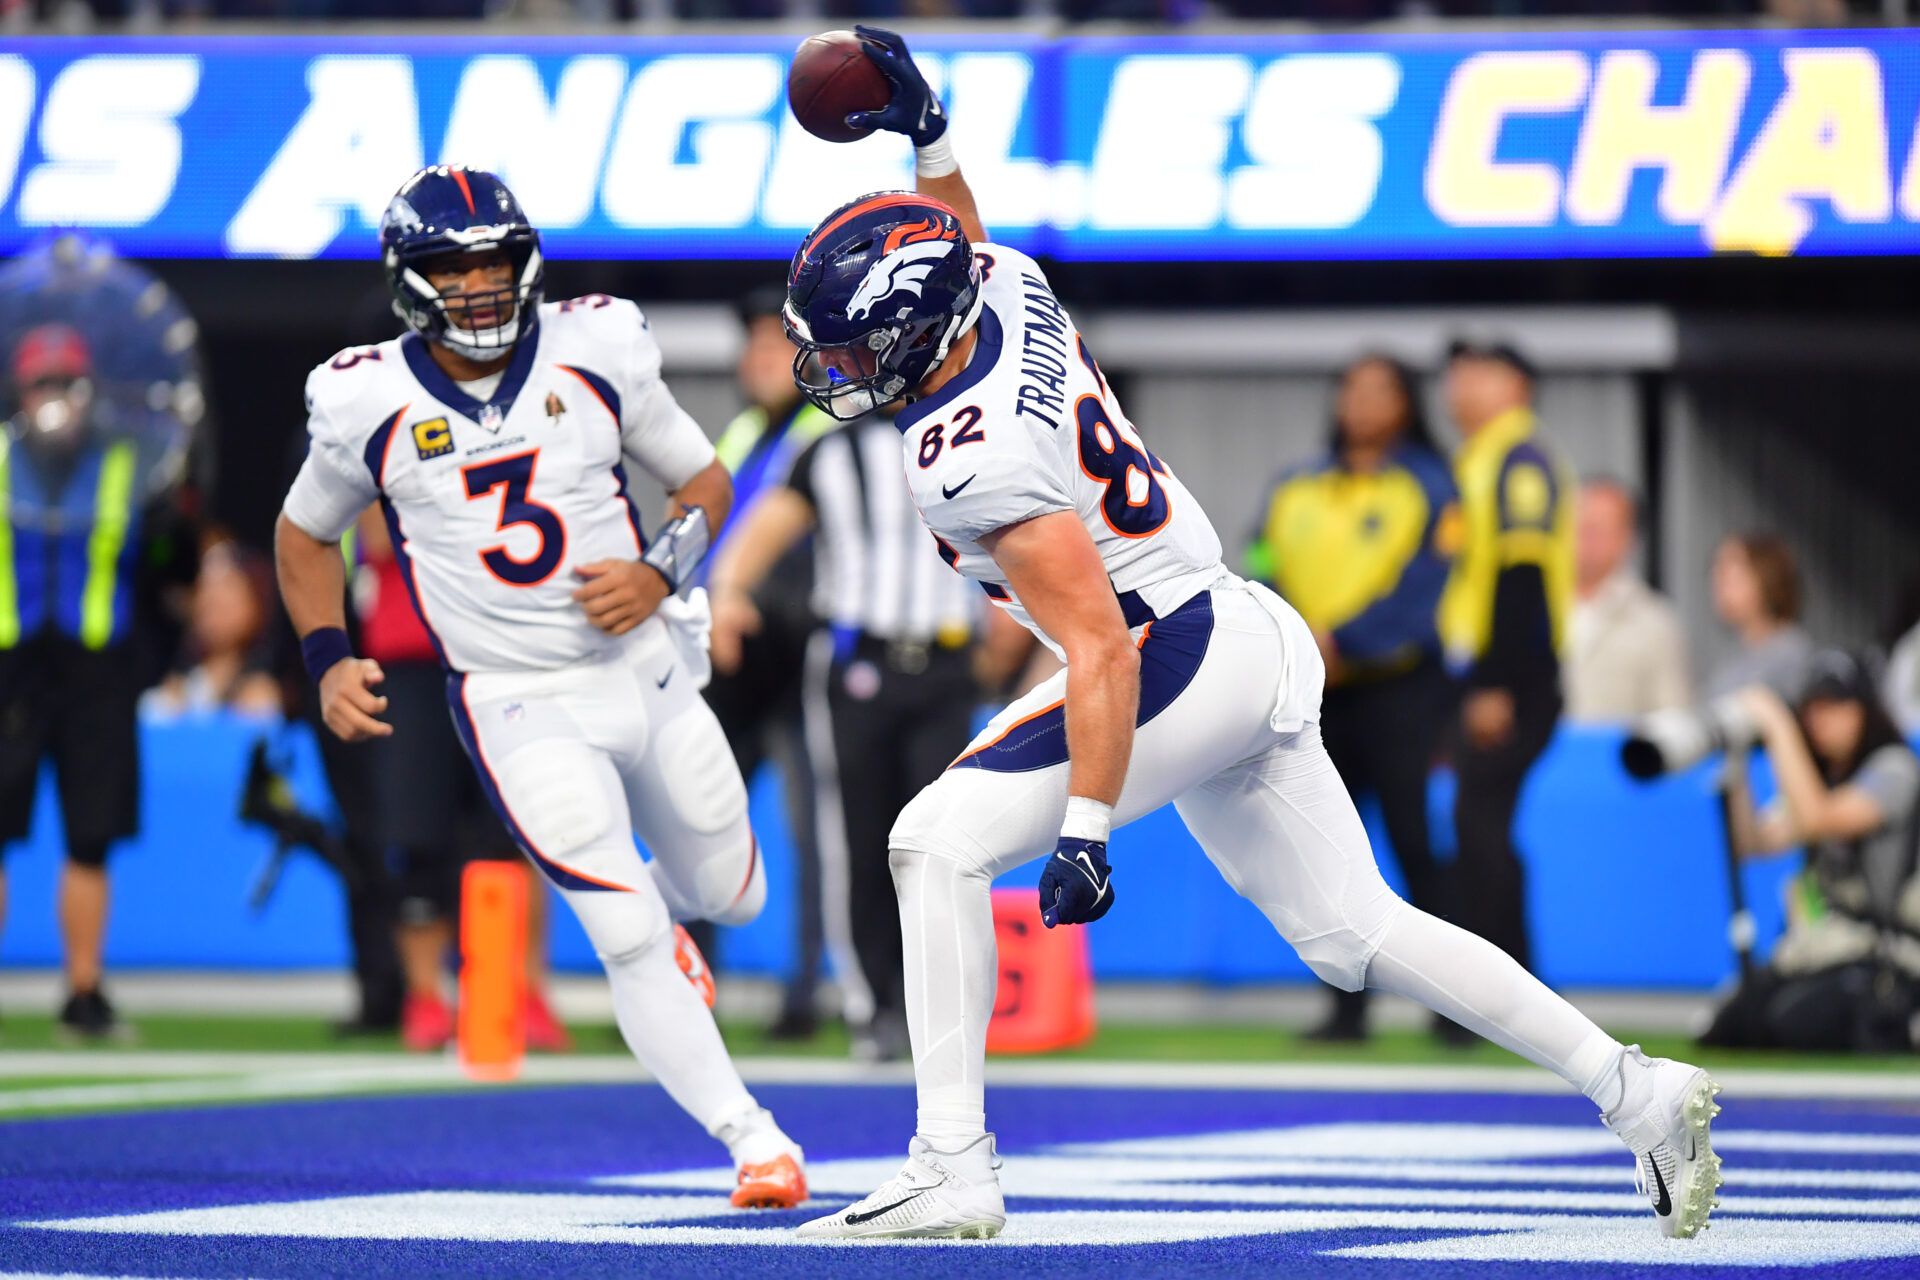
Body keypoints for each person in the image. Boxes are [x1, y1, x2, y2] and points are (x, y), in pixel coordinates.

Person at [781, 27, 1721, 1243]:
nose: (842, 371)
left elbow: (1101, 652)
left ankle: (951, 1162)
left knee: (933, 841)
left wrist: (1085, 829)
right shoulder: (1003, 283)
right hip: (1234, 623)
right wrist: (930, 126)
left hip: (1167, 645)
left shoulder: (966, 451)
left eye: (858, 347)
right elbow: (953, 227)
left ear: (915, 332)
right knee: (1354, 933)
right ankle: (1638, 1091)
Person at [273, 165, 805, 1208]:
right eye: (450, 267)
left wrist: (660, 567)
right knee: (625, 927)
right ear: (409, 280)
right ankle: (754, 1140)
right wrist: (327, 654)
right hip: (514, 694)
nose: (475, 287)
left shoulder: (597, 344)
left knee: (733, 892)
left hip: (642, 664)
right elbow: (302, 533)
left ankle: (671, 930)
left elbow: (704, 481)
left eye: (490, 261)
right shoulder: (363, 394)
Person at [708, 405, 987, 1062]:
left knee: (943, 844)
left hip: (948, 663)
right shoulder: (831, 451)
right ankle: (873, 1007)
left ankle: (937, 1008)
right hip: (857, 662)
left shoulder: (974, 435)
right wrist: (727, 590)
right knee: (858, 842)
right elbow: (769, 522)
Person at [0, 237, 201, 1041]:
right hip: (8, 666)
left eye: (67, 382)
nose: (55, 398)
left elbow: (169, 569)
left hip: (95, 669)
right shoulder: (1, 460)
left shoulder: (134, 465)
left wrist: (152, 660)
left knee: (91, 836)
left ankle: (84, 990)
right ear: (19, 386)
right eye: (42, 382)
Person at [1246, 354, 1459, 1043]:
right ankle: (1346, 1009)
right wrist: (1294, 633)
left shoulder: (1431, 487)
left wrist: (1342, 641)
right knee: (1325, 850)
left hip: (1399, 691)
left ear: (1406, 404)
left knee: (1414, 843)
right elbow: (1256, 561)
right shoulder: (1294, 486)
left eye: (1381, 390)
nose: (1364, 402)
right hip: (1314, 696)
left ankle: (1454, 1006)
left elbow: (1427, 586)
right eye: (1353, 389)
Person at [349, 506, 571, 1053]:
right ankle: (426, 996)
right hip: (411, 653)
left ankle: (523, 991)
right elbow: (377, 538)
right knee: (417, 836)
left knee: (515, 833)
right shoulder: (383, 431)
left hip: (502, 652)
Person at [699, 286, 838, 1040]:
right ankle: (688, 985)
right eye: (750, 344)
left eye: (773, 344)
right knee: (702, 823)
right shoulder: (744, 433)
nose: (757, 358)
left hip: (799, 654)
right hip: (728, 661)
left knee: (814, 835)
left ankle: (806, 994)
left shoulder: (831, 427)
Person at [1437, 339, 1574, 983]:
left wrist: (1497, 685)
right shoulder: (1479, 458)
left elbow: (1522, 578)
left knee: (1479, 826)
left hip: (1514, 678)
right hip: (1487, 675)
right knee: (1479, 827)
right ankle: (1509, 986)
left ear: (1517, 385)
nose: (1459, 386)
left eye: (1479, 374)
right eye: (1456, 374)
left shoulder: (1519, 458)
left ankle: (1508, 988)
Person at [1703, 650, 1920, 1051]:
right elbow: (1752, 843)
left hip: (1886, 956)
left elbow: (1821, 819)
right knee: (1733, 1025)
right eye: (1812, 708)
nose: (1820, 720)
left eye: (1835, 706)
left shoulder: (1895, 769)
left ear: (1865, 710)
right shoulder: (1821, 780)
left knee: (1794, 1023)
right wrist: (1737, 761)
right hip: (1824, 946)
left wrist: (1777, 727)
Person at [1565, 477, 1690, 722]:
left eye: (1598, 528)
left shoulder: (1655, 623)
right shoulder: (1528, 609)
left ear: (1627, 538)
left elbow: (1672, 719)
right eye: (1577, 525)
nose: (1584, 537)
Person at [141, 539, 282, 718]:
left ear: (257, 600)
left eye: (227, 588)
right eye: (205, 588)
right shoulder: (178, 686)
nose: (213, 601)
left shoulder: (264, 691)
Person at [1704, 532, 1813, 703]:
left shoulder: (1790, 656)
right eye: (1716, 576)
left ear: (1767, 580)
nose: (1719, 589)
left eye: (1731, 579)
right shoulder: (1733, 655)